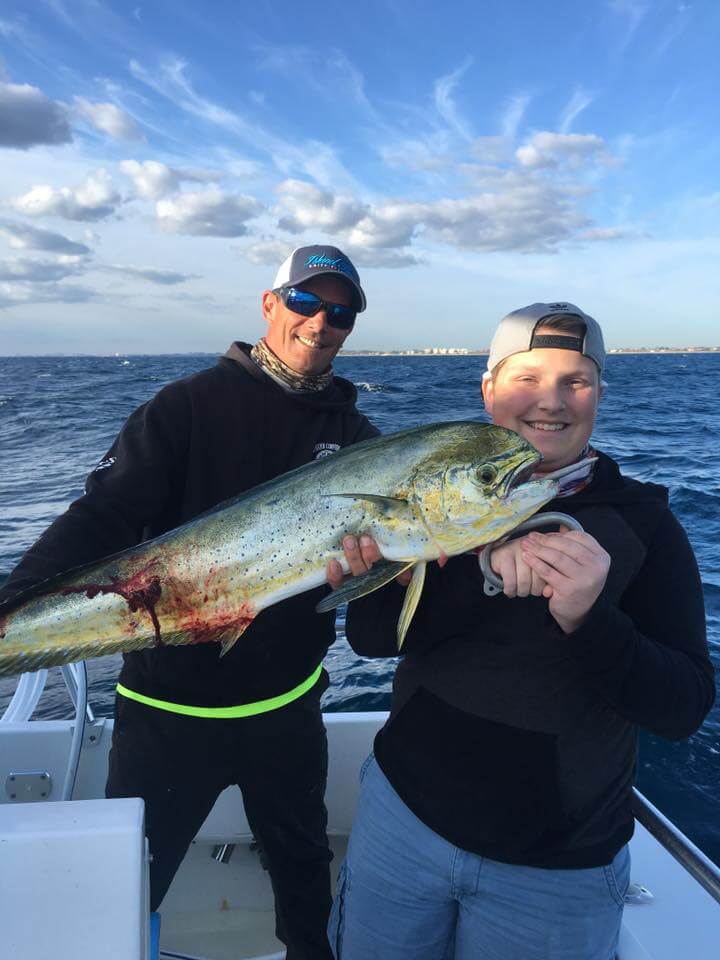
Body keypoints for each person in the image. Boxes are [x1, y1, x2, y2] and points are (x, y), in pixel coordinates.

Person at [0, 244, 378, 960]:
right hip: (168, 717)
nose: (321, 323)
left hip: (288, 709)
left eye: (341, 312)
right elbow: (103, 516)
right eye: (305, 301)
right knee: (131, 888)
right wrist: (16, 601)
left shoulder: (353, 435)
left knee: (305, 882)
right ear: (270, 304)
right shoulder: (186, 405)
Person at [325, 302, 715, 960]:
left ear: (599, 395)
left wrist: (591, 619)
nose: (551, 402)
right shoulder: (433, 503)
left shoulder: (643, 524)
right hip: (403, 821)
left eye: (576, 380)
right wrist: (383, 576)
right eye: (526, 379)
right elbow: (374, 641)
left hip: (556, 868)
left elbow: (682, 708)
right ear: (488, 391)